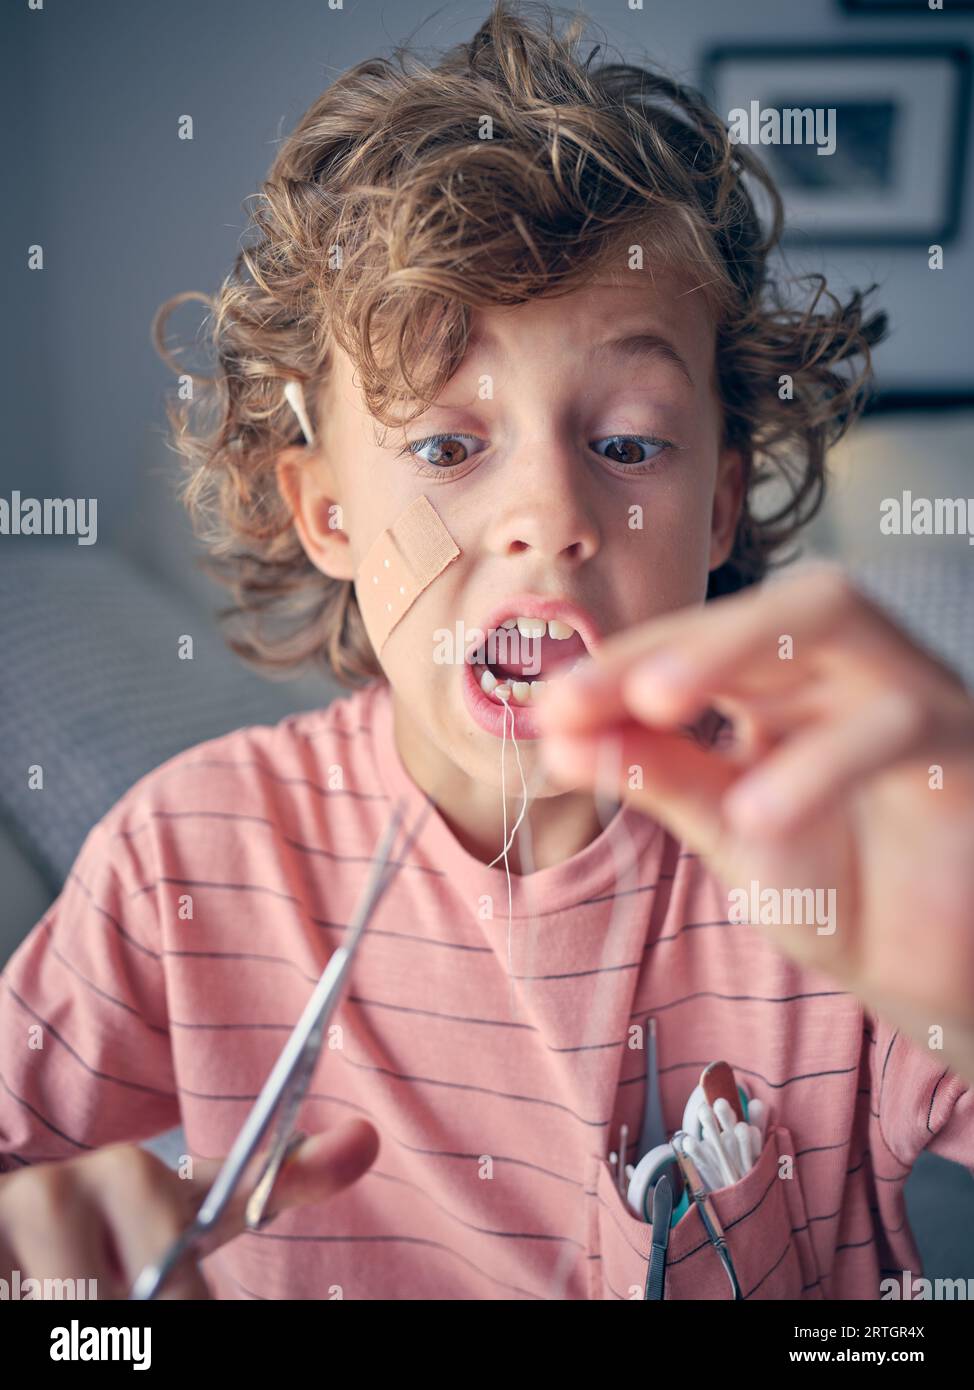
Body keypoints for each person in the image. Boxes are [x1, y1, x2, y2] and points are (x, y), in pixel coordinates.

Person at [2, 2, 972, 1300]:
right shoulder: (186, 861)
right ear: (328, 512)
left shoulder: (825, 855)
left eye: (626, 443)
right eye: (448, 448)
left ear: (720, 508)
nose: (551, 523)